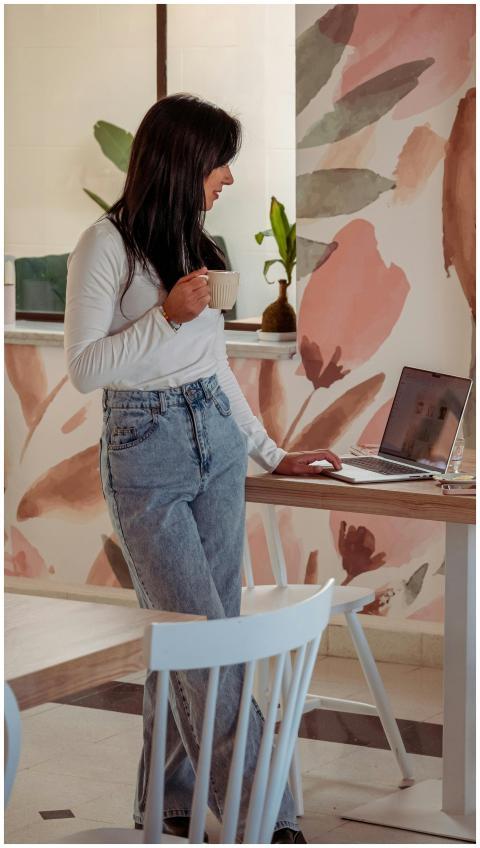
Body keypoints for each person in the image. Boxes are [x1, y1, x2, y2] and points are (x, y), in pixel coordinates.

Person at [65, 93, 341, 844]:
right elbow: (87, 370)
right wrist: (166, 318)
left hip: (213, 442)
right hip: (144, 449)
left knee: (193, 636)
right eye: (220, 163)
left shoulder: (202, 248)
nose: (226, 179)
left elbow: (215, 372)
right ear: (185, 161)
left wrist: (276, 453)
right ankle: (268, 820)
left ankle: (173, 803)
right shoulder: (104, 246)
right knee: (205, 638)